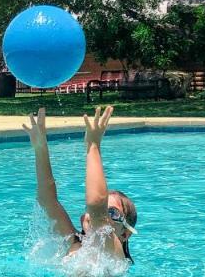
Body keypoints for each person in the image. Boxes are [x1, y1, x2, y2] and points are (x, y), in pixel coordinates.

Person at [23, 105, 137, 262]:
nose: (101, 214)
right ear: (84, 217)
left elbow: (96, 205)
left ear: (125, 234)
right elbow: (47, 201)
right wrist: (40, 148)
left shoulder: (114, 252)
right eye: (104, 210)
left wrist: (93, 145)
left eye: (111, 212)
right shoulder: (75, 242)